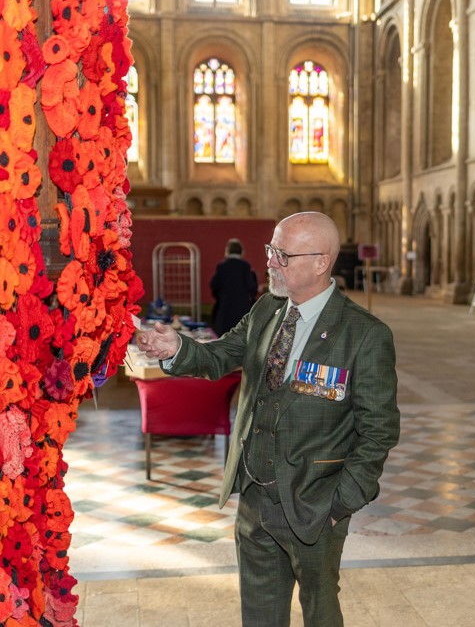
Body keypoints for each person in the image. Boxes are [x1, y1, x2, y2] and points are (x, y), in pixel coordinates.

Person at [137, 211, 400, 627]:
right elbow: (220, 354)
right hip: (254, 500)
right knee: (259, 616)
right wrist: (175, 350)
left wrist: (342, 501)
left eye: (282, 255)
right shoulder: (268, 310)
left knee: (320, 613)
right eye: (270, 251)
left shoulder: (363, 334)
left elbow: (379, 430)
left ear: (320, 261)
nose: (270, 263)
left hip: (316, 505)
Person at [210, 238, 258, 336]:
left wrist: (220, 295)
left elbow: (213, 284)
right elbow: (251, 286)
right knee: (241, 334)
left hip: (225, 306)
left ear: (227, 250)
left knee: (224, 335)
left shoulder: (222, 266)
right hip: (241, 307)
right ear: (242, 251)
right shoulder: (245, 266)